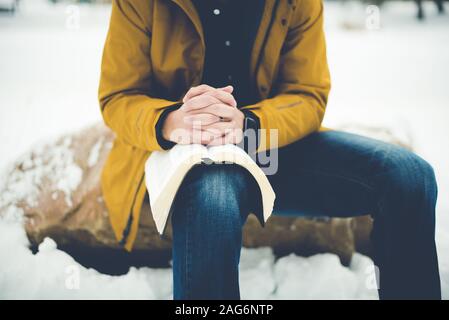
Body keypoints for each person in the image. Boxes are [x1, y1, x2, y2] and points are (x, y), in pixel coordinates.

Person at [98, 0, 440, 300]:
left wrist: (248, 126)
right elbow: (118, 96)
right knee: (212, 198)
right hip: (183, 151)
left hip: (269, 143)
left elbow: (307, 94)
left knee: (410, 176)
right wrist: (172, 121)